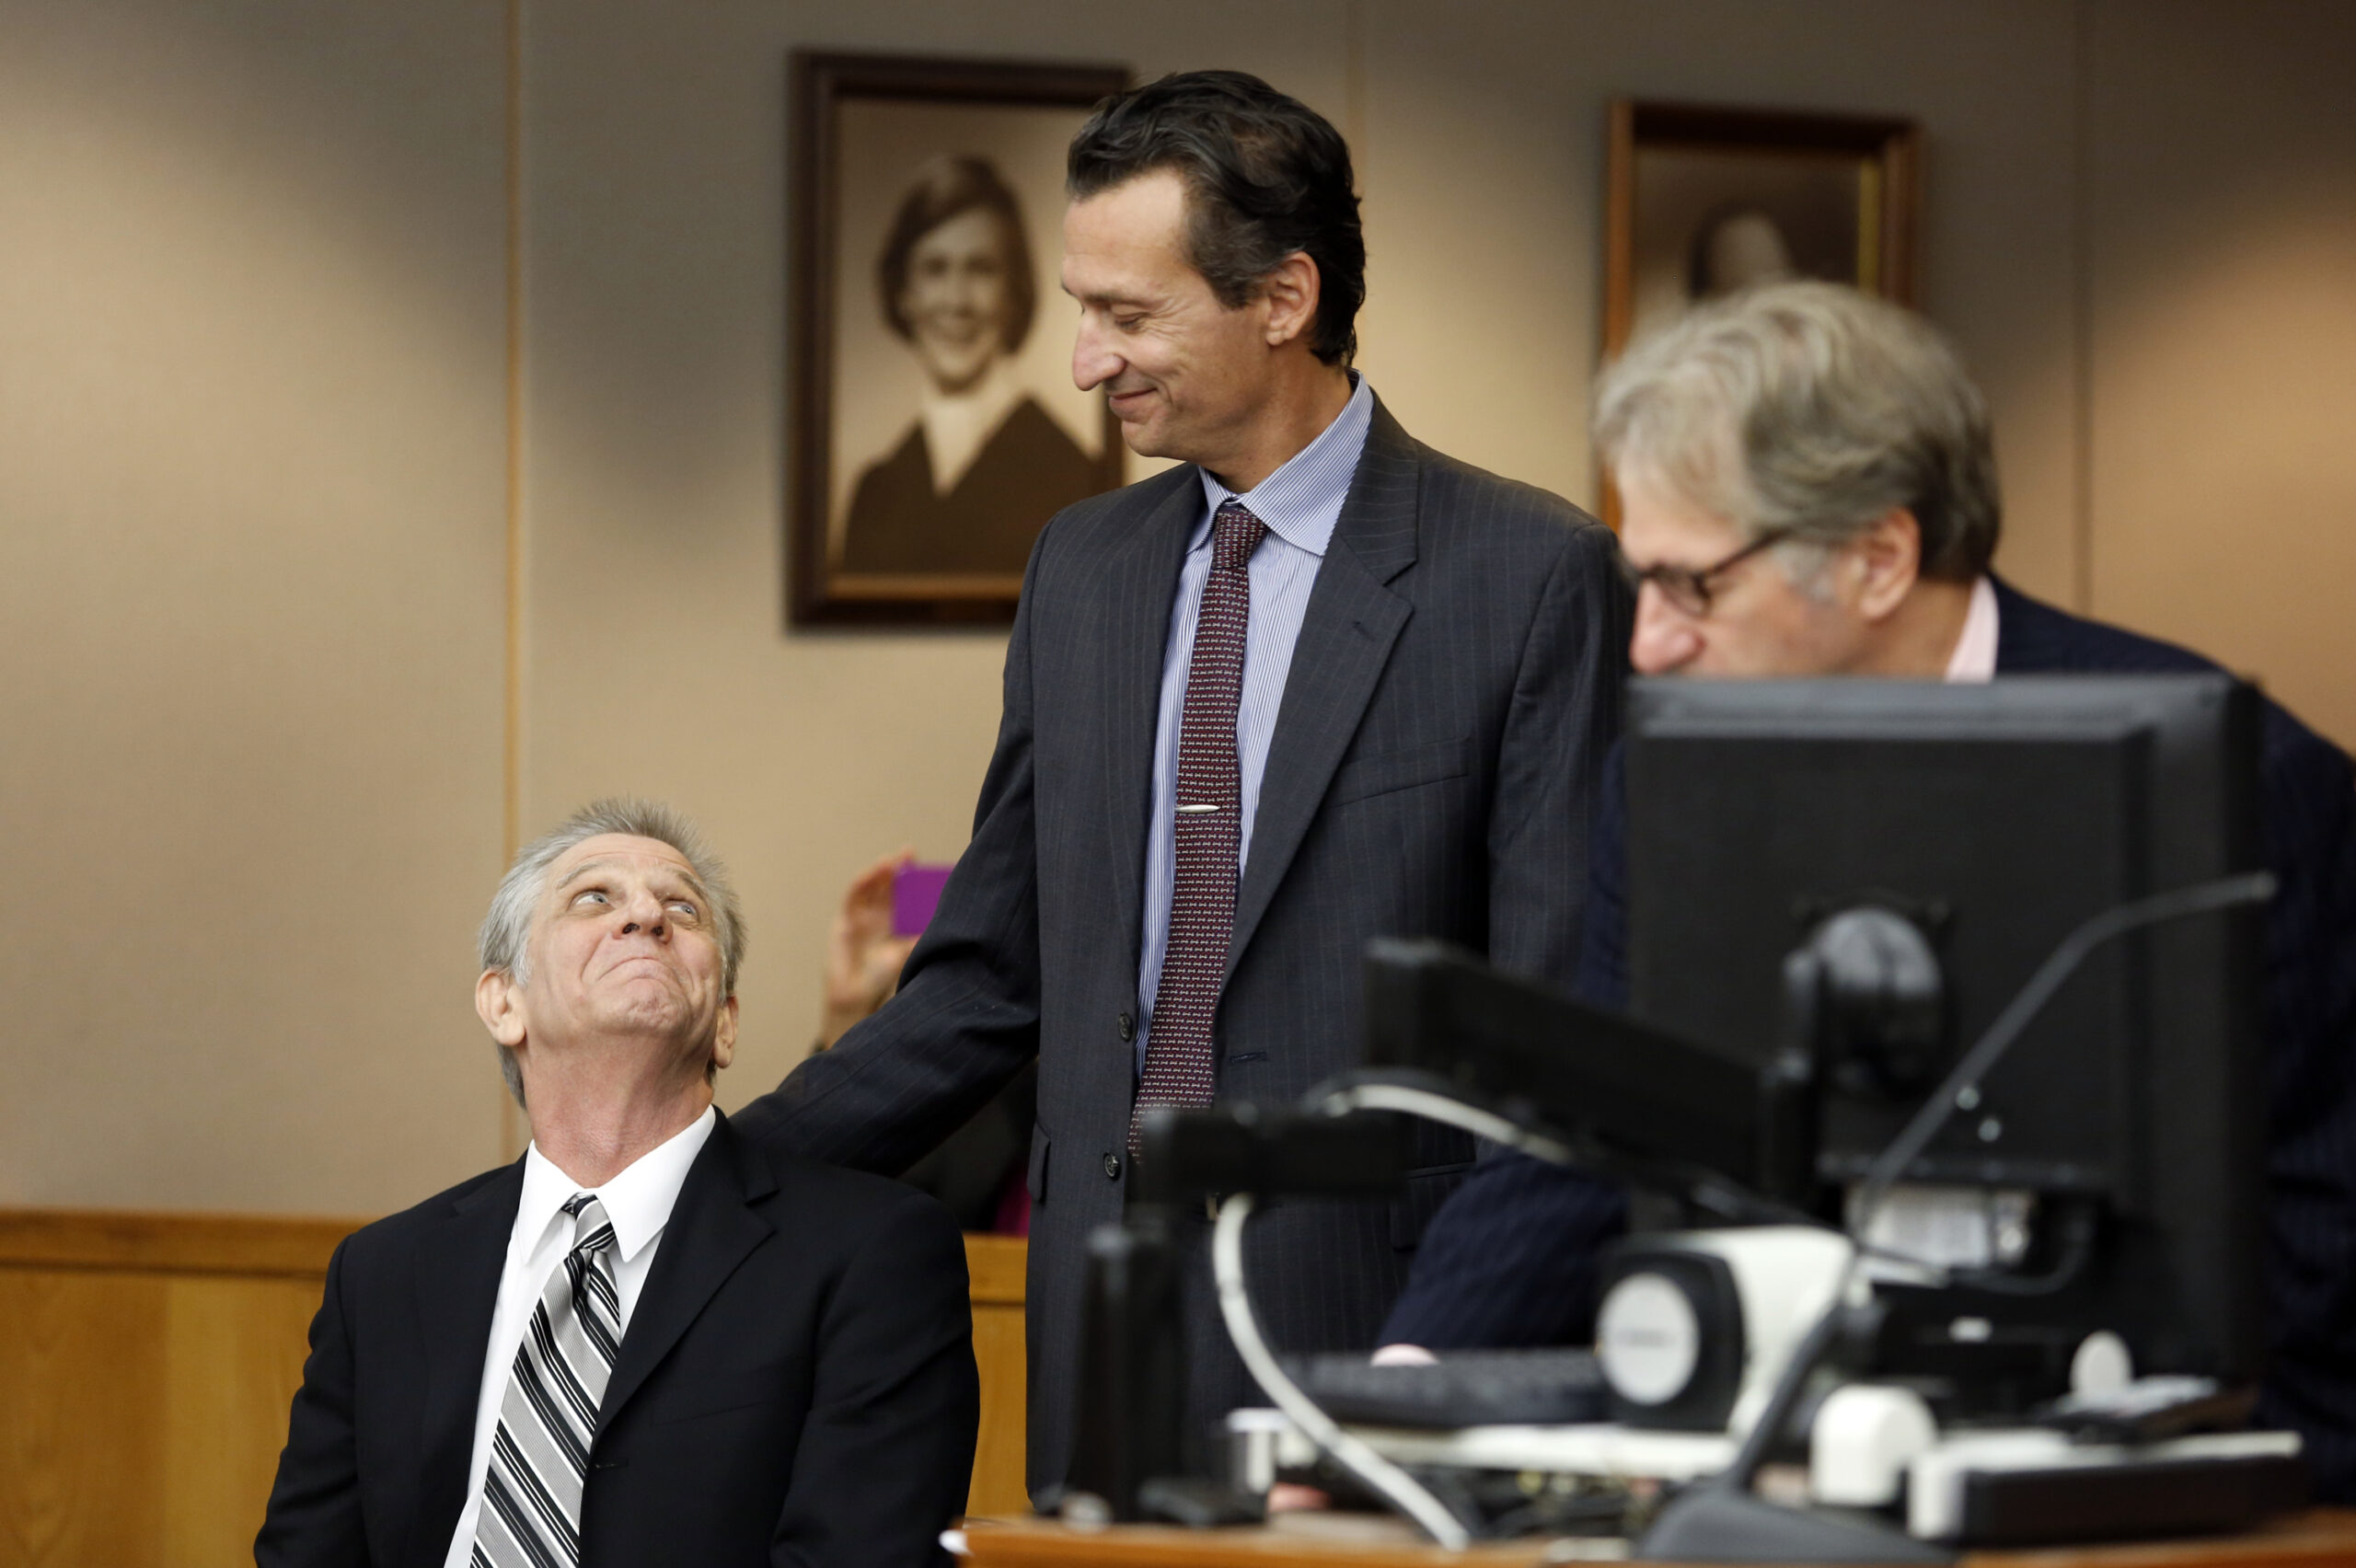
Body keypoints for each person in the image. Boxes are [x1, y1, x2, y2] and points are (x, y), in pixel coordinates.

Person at [737, 70, 1629, 1497]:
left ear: (1283, 295)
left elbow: (1552, 1042)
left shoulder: (1525, 577)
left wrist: (1444, 1358)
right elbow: (988, 980)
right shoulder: (1081, 572)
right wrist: (720, 1176)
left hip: (1383, 1343)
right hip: (1103, 1331)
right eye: (1082, 308)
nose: (1085, 361)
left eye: (1126, 314)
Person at [1378, 281, 2356, 1502]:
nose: (1649, 646)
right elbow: (1602, 1130)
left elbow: (2322, 1250)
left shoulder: (2245, 792)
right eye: (1645, 587)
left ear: (1881, 558)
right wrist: (1398, 1403)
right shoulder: (1668, 785)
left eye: (1695, 588)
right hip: (1765, 1484)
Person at [256, 801, 977, 1567]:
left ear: (725, 1024)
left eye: (681, 907)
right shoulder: (385, 1272)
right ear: (505, 1003)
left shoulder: (872, 1254)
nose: (645, 918)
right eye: (594, 898)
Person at [840, 155, 1106, 576]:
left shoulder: (1078, 478)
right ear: (903, 293)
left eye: (981, 269)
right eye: (934, 269)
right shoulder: (875, 492)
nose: (957, 301)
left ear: (1013, 292)